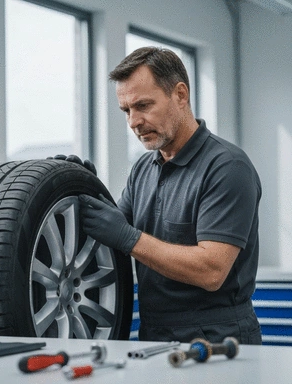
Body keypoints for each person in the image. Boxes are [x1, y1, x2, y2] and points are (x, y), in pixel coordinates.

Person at [55, 46, 262, 344]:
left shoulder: (227, 167)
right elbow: (111, 234)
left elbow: (212, 271)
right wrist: (79, 190)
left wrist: (130, 238)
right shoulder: (143, 168)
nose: (133, 122)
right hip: (154, 332)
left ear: (180, 95)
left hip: (218, 335)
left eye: (143, 105)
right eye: (127, 110)